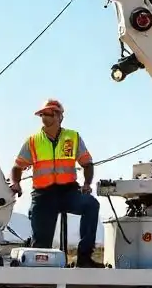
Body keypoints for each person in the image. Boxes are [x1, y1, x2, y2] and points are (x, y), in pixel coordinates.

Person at [9, 98, 102, 267]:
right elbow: (17, 166)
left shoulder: (72, 137)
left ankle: (84, 257)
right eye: (43, 114)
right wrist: (16, 182)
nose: (45, 117)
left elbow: (87, 163)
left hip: (69, 192)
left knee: (91, 204)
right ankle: (40, 278)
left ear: (59, 116)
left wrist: (87, 184)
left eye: (49, 113)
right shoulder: (33, 141)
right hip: (43, 195)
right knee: (41, 247)